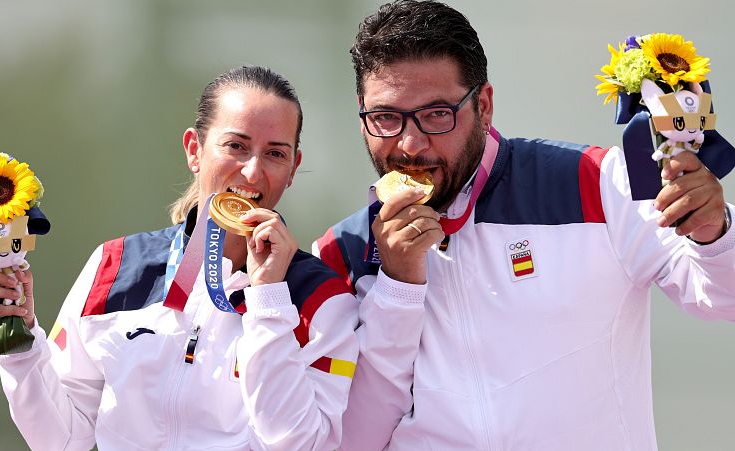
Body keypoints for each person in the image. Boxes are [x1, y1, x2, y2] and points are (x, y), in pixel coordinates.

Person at [313, 1, 735, 449]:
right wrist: (396, 288)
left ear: (484, 105)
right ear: (362, 114)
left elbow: (722, 301)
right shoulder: (342, 251)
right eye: (386, 118)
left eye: (437, 114)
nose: (411, 144)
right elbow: (351, 439)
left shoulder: (594, 182)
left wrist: (716, 233)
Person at [0, 66, 359, 450]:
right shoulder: (115, 265)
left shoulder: (324, 300)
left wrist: (268, 300)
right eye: (236, 146)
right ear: (195, 150)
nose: (253, 171)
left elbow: (302, 444)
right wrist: (19, 342)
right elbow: (62, 439)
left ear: (293, 168)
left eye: (275, 153)